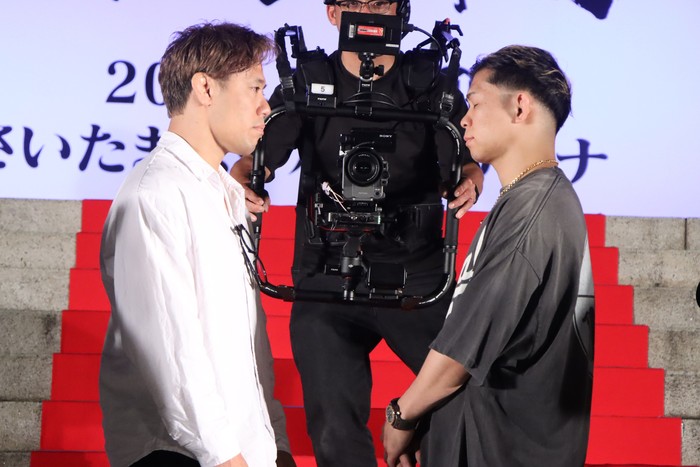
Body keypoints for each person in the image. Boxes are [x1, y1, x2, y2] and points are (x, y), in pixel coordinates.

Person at [230, 1, 484, 466]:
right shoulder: (308, 81)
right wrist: (244, 179)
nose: (367, 11)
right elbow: (257, 158)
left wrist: (469, 182)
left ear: (402, 11)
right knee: (332, 427)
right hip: (327, 272)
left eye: (380, 2)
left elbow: (467, 162)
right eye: (354, 2)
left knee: (463, 400)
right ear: (332, 13)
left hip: (414, 276)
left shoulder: (430, 82)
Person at [381, 44, 595, 467]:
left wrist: (401, 416)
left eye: (475, 102)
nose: (464, 118)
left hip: (500, 448)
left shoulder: (532, 209)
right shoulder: (533, 197)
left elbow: (461, 353)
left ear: (520, 107)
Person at [99, 22, 297, 467]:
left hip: (241, 447)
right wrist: (226, 456)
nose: (266, 106)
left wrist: (274, 442)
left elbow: (246, 345)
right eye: (255, 88)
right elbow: (172, 352)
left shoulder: (223, 193)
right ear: (205, 88)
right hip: (181, 452)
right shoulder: (156, 194)